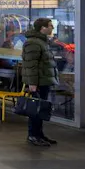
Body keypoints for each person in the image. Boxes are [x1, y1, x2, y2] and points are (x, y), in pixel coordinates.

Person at [22, 17, 58, 147]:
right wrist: (32, 84)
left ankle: (39, 134)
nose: (52, 28)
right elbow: (31, 65)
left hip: (43, 80)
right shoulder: (33, 43)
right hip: (38, 82)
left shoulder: (42, 42)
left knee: (40, 109)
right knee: (35, 109)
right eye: (50, 25)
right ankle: (33, 135)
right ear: (42, 28)